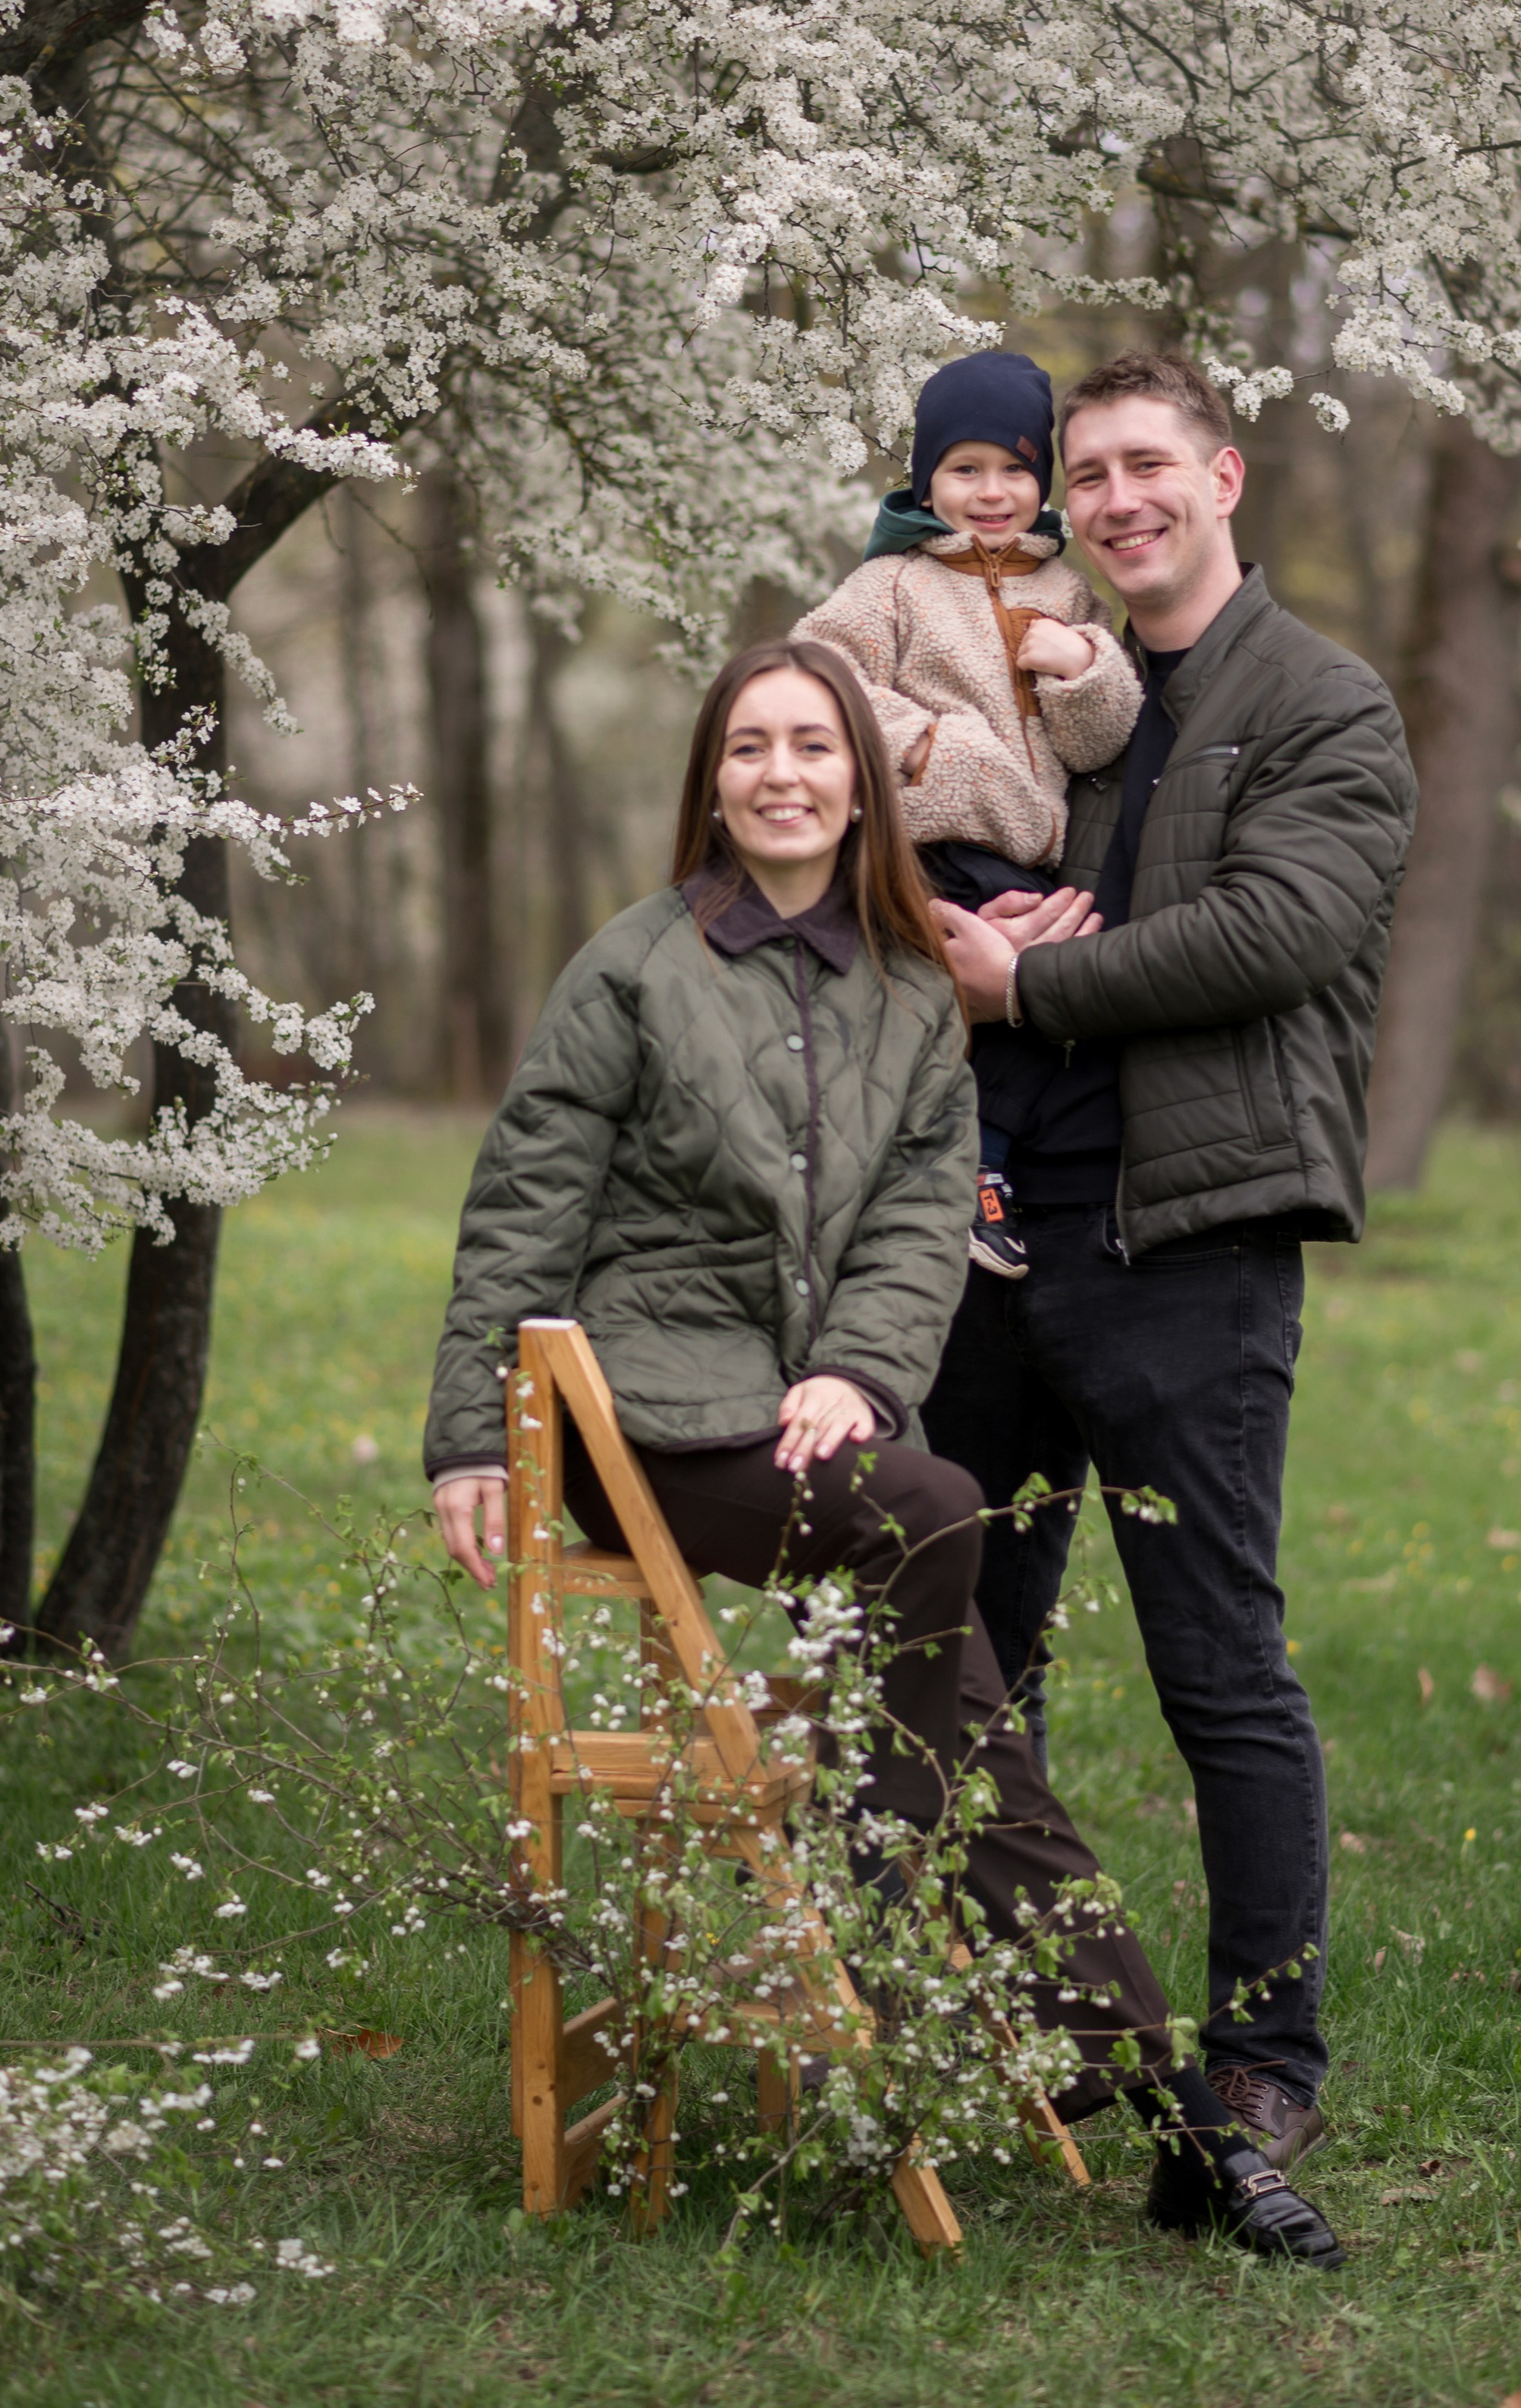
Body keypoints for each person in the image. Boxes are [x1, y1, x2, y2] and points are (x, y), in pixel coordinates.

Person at [426, 633, 1341, 2262]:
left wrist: (855, 1362)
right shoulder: (631, 964)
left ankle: (1175, 2112)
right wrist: (466, 1439)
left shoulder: (915, 989)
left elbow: (923, 1225)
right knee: (933, 1508)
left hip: (811, 1413)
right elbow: (521, 1209)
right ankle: (935, 1869)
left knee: (950, 1663)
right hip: (639, 1409)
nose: (781, 772)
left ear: (864, 778)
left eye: (813, 746)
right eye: (749, 747)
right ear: (711, 779)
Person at [927, 350, 1419, 2175]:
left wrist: (1038, 975)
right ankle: (1050, 2020)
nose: (1117, 498)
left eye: (1148, 464)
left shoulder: (1315, 697)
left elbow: (1282, 928)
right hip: (984, 1240)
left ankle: (1263, 2049)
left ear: (1220, 475)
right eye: (1087, 474)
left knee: (1214, 1657)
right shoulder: (1042, 671)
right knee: (974, 1643)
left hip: (1182, 1239)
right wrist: (965, 929)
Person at [796, 350, 1142, 1279]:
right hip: (931, 843)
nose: (992, 493)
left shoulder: (1070, 593)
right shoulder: (893, 585)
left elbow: (1102, 740)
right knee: (945, 1011)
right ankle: (954, 1175)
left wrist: (1084, 669)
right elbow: (815, 677)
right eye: (965, 469)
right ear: (926, 477)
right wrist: (928, 747)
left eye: (1016, 470)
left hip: (1029, 855)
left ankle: (979, 1170)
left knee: (1035, 1009)